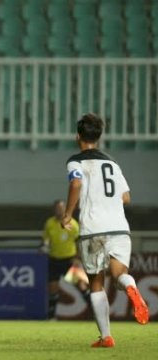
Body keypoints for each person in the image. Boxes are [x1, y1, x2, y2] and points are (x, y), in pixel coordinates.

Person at [62, 113, 149, 348]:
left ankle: (106, 337)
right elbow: (126, 197)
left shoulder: (75, 161)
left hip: (93, 229)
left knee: (96, 283)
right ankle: (130, 286)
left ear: (77, 136)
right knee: (120, 274)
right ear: (99, 137)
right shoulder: (112, 163)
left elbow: (76, 183)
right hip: (119, 227)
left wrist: (68, 213)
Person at [40, 199, 87, 319]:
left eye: (60, 208)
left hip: (70, 259)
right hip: (54, 259)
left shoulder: (72, 223)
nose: (58, 211)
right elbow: (46, 238)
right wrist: (44, 246)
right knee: (53, 288)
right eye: (56, 209)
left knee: (81, 286)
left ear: (65, 209)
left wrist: (77, 258)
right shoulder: (50, 223)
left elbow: (79, 243)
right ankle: (51, 317)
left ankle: (95, 312)